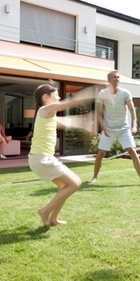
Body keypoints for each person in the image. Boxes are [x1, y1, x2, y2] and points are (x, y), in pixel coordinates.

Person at [28, 82, 96, 227]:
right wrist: (92, 90)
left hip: (40, 159)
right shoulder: (46, 109)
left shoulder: (48, 115)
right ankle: (45, 211)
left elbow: (69, 121)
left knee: (65, 186)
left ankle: (53, 219)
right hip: (42, 159)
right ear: (46, 97)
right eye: (56, 94)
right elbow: (71, 102)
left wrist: (85, 122)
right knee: (75, 183)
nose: (59, 97)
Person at [89, 70, 140, 187]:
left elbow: (132, 111)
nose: (117, 79)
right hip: (109, 128)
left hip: (124, 128)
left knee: (132, 152)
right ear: (109, 80)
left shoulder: (125, 93)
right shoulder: (102, 94)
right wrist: (104, 128)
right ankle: (94, 176)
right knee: (101, 154)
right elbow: (98, 114)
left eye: (118, 77)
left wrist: (134, 126)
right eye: (114, 77)